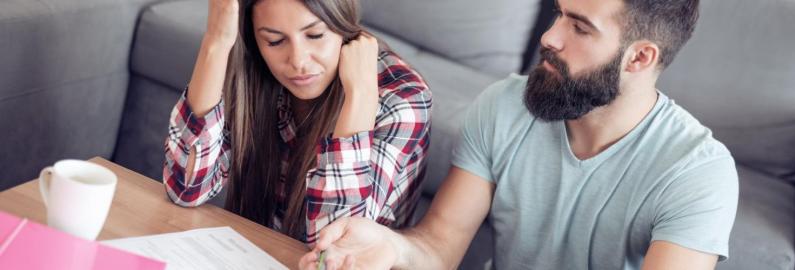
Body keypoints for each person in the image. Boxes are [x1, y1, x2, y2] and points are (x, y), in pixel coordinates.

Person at [299, 0, 738, 269]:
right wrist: (391, 247)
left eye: (580, 27)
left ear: (640, 58)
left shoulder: (697, 174)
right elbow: (439, 245)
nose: (550, 37)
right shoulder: (506, 105)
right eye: (559, 13)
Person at [162, 0, 431, 244]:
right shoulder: (253, 70)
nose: (299, 61)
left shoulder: (403, 99)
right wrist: (216, 41)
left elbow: (334, 248)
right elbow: (186, 188)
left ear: (342, 23)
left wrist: (360, 95)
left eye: (315, 35)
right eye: (275, 41)